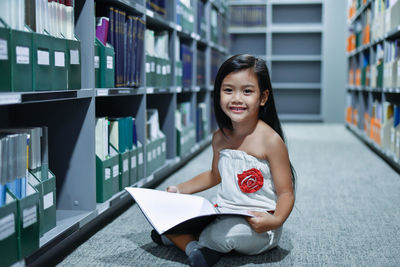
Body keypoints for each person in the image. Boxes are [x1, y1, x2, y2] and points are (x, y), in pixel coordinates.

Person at [151, 54, 296, 267]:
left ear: (263, 98)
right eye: (228, 90)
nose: (236, 98)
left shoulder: (271, 141)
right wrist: (179, 189)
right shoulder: (220, 137)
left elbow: (286, 192)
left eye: (247, 91)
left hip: (258, 225)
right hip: (223, 213)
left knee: (226, 234)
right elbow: (214, 175)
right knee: (170, 217)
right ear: (218, 94)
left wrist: (275, 221)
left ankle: (189, 243)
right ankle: (195, 248)